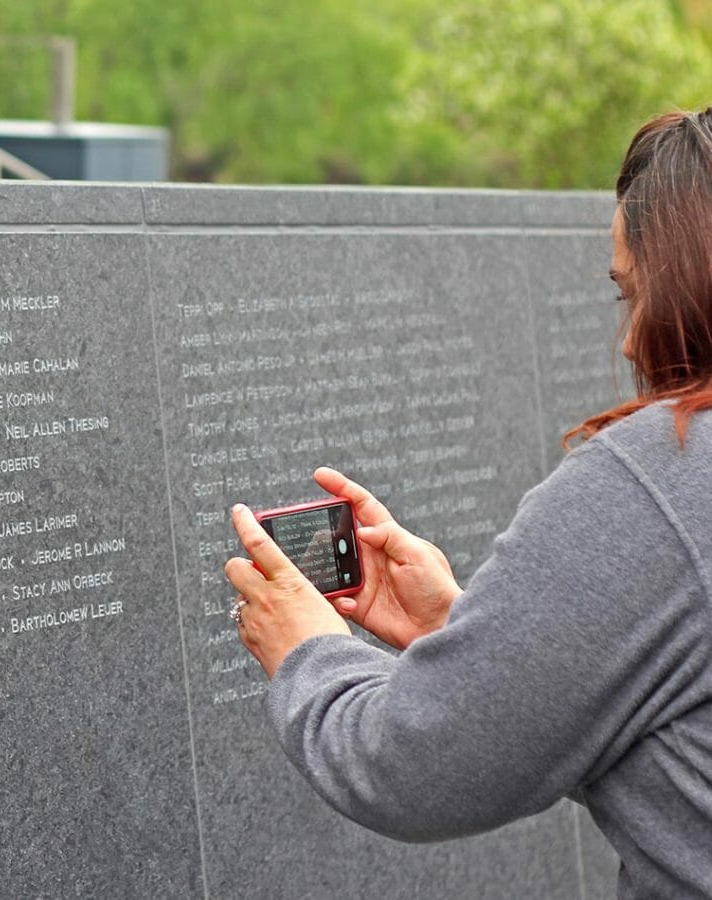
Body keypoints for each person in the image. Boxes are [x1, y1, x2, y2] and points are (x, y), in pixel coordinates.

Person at [224, 108, 712, 899]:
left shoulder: (660, 475)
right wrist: (469, 635)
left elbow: (413, 768)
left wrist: (308, 650)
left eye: (634, 295)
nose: (628, 342)